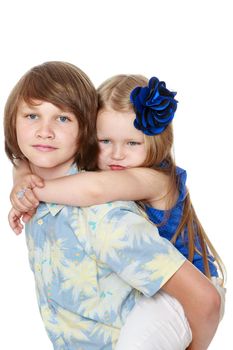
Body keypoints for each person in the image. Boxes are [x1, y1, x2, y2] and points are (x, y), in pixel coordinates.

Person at [5, 63, 221, 350]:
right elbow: (22, 159)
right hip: (161, 285)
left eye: (133, 142)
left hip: (187, 288)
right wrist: (21, 179)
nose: (117, 153)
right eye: (105, 140)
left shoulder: (147, 183)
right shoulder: (92, 174)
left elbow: (94, 189)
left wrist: (30, 192)